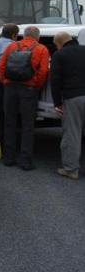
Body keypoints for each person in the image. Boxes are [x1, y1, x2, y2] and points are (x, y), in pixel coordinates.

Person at [0, 26, 49, 170]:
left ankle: (8, 158)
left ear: (23, 35)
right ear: (37, 37)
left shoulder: (12, 46)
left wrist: (5, 81)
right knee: (27, 126)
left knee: (9, 122)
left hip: (10, 88)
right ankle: (25, 161)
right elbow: (44, 70)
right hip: (29, 89)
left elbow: (1, 66)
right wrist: (35, 84)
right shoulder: (41, 49)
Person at [50, 31, 85, 180]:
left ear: (59, 43)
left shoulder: (60, 55)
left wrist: (57, 102)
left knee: (72, 133)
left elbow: (55, 80)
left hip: (74, 97)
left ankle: (71, 169)